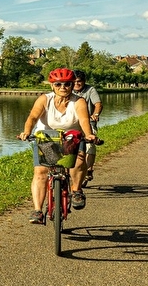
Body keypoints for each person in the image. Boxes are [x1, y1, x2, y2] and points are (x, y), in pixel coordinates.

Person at [17, 67, 95, 223]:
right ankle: (38, 211)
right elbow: (33, 117)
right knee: (40, 172)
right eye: (58, 84)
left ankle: (76, 190)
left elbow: (84, 120)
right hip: (47, 139)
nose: (63, 88)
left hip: (71, 138)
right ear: (52, 86)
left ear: (73, 85)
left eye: (67, 84)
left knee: (79, 162)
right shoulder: (45, 99)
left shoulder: (78, 101)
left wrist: (89, 135)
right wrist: (26, 132)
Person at [73, 70, 102, 183]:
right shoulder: (68, 90)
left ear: (84, 81)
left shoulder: (90, 90)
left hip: (89, 122)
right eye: (74, 82)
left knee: (90, 144)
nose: (76, 84)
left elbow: (98, 104)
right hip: (73, 122)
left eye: (79, 81)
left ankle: (88, 169)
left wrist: (95, 114)